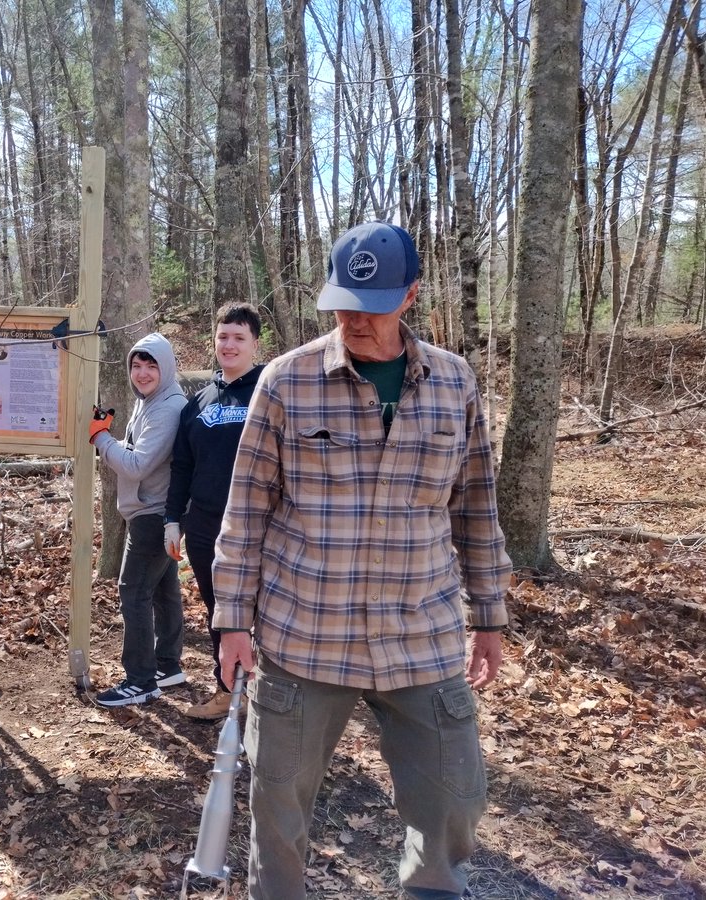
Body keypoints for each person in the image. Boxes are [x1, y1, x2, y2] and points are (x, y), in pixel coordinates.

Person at [212, 222, 511, 900]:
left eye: (371, 305)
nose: (353, 319)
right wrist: (232, 620)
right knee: (278, 810)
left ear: (410, 295)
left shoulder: (453, 384)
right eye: (343, 301)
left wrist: (489, 616)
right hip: (305, 636)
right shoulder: (286, 382)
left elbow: (475, 510)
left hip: (422, 635)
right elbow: (247, 511)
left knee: (454, 801)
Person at [163, 302, 265, 721]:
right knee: (218, 608)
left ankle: (268, 696)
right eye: (223, 336)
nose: (229, 344)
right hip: (205, 524)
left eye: (239, 337)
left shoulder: (270, 390)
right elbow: (182, 465)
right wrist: (173, 519)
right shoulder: (198, 401)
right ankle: (227, 691)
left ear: (255, 345)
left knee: (263, 613)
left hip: (262, 525)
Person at [89, 333, 188, 706]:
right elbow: (137, 452)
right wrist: (113, 438)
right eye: (136, 365)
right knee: (163, 588)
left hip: (155, 514)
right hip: (156, 511)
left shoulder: (167, 408)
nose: (142, 373)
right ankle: (167, 665)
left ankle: (140, 680)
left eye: (151, 365)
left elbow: (137, 463)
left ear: (166, 367)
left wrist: (101, 439)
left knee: (133, 591)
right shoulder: (149, 401)